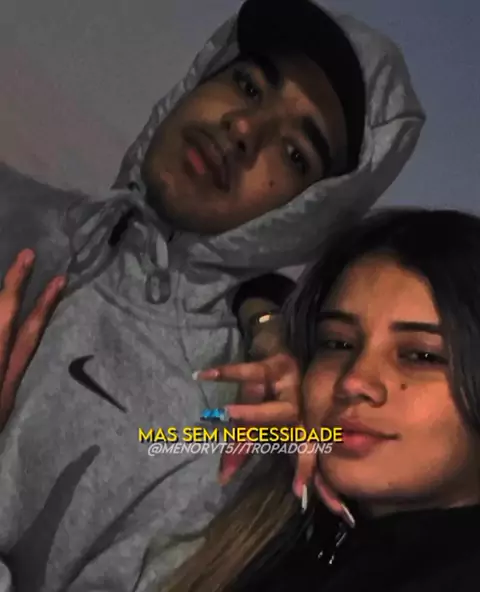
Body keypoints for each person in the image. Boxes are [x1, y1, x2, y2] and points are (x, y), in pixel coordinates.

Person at [0, 0, 424, 590]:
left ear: (310, 214)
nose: (244, 129)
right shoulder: (21, 211)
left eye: (295, 153)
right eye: (247, 85)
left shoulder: (222, 432)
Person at [181, 207, 480, 592]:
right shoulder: (289, 517)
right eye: (337, 343)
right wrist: (270, 336)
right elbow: (253, 284)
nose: (354, 381)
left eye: (421, 355)